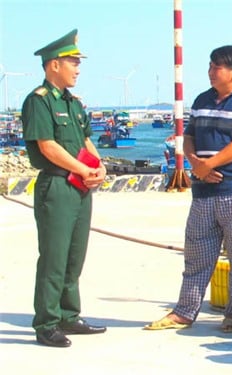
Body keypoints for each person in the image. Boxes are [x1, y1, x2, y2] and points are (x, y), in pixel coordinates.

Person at [145, 44, 232, 333]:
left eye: (217, 66)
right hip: (204, 194)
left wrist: (208, 166)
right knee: (197, 256)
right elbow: (189, 136)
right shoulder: (201, 100)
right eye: (210, 66)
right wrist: (193, 161)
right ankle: (184, 311)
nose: (211, 71)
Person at [21, 29, 107, 348]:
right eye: (73, 62)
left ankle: (69, 316)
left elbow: (86, 139)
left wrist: (99, 167)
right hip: (57, 185)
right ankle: (46, 322)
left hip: (80, 187)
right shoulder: (38, 101)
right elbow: (47, 146)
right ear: (54, 65)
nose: (78, 68)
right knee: (54, 257)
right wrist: (85, 169)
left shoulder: (73, 103)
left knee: (75, 255)